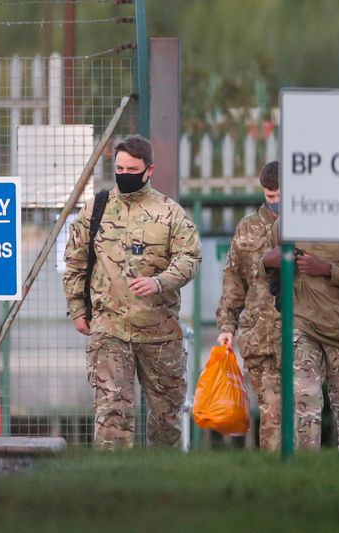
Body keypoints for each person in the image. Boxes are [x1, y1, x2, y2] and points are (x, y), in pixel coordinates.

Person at [63, 135, 201, 449]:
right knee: (111, 414)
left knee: (166, 419)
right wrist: (77, 309)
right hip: (109, 328)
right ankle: (114, 484)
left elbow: (190, 258)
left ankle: (163, 484)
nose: (125, 174)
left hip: (160, 332)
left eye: (132, 169)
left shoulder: (169, 213)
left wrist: (160, 281)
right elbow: (75, 260)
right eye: (120, 167)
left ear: (149, 170)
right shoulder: (96, 208)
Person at [263, 228, 339, 450]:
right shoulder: (291, 217)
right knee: (304, 399)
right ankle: (306, 470)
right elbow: (267, 262)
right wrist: (268, 262)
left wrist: (329, 270)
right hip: (302, 324)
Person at [216, 161, 282, 450]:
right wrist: (227, 326)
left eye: (281, 196)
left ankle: (308, 472)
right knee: (272, 414)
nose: (276, 202)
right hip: (261, 338)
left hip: (303, 334)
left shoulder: (308, 224)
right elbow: (234, 281)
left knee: (305, 413)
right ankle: (276, 477)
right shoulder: (248, 229)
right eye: (270, 197)